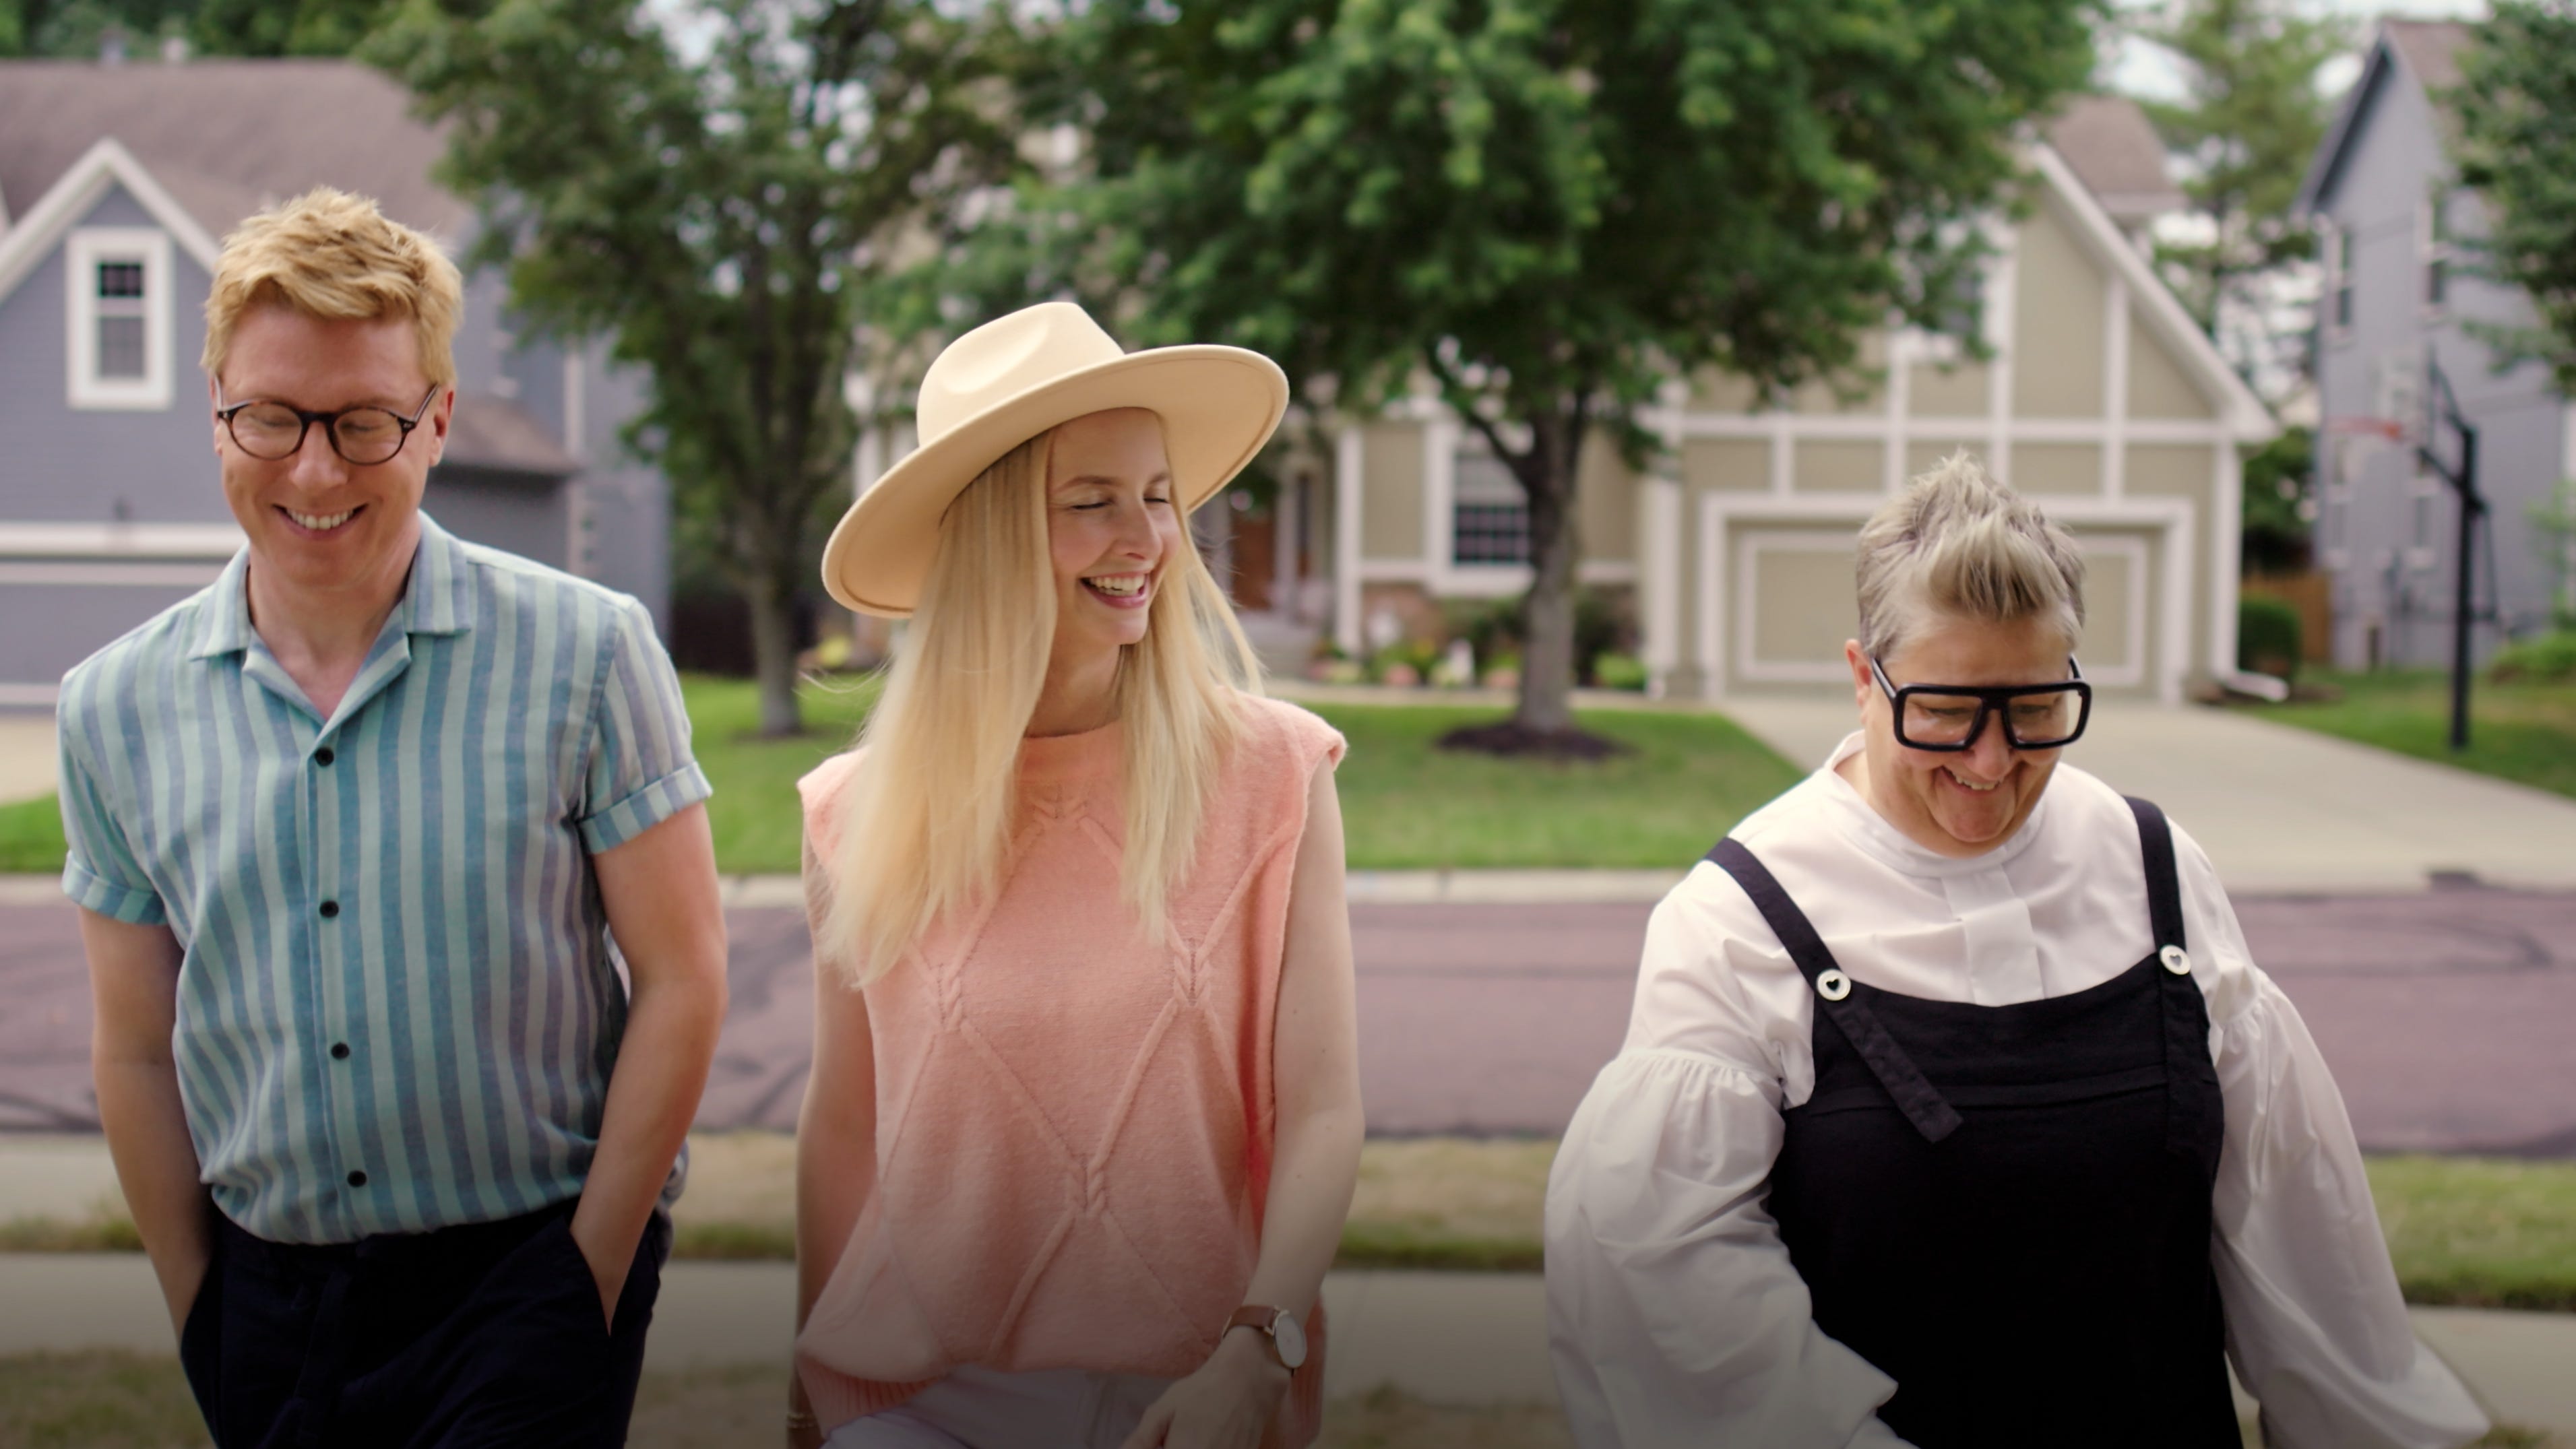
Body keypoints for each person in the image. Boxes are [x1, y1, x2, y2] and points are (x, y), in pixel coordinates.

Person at [1542, 457, 2491, 1449]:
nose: (1990, 765)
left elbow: (2300, 1236)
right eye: (1946, 711)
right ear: (1864, 675)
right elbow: (1661, 1273)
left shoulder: (2156, 869)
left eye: (2035, 709)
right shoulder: (1741, 915)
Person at [55, 187, 727, 1447]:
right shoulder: (113, 708)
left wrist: (584, 1279)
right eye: (271, 418)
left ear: (437, 423)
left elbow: (686, 976)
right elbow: (136, 1048)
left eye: (365, 423)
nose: (315, 469)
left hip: (521, 1280)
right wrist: (201, 1307)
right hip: (265, 1301)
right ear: (217, 412)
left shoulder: (590, 655)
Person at [786, 301, 1364, 1449]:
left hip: (1191, 1404)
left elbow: (1323, 1114)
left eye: (1159, 497)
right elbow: (843, 1125)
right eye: (1092, 501)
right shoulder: (854, 817)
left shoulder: (1277, 775)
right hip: (920, 1408)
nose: (1147, 539)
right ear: (992, 538)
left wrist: (1259, 1348)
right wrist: (806, 1388)